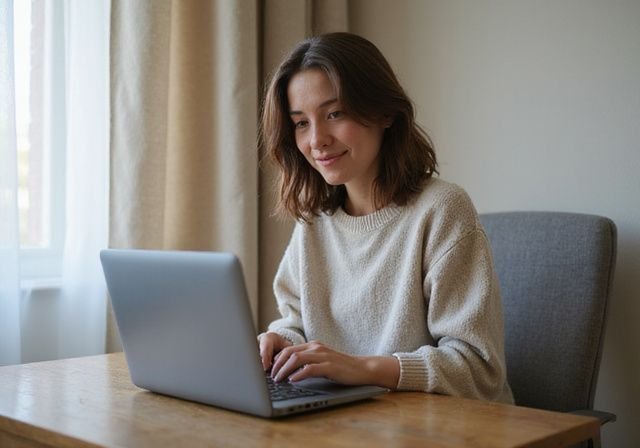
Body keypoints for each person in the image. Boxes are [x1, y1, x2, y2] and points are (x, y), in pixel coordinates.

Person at [258, 32, 513, 403]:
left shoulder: (442, 210)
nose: (317, 140)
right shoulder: (313, 222)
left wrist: (361, 369)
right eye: (301, 123)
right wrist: (284, 343)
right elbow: (296, 321)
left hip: (447, 428)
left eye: (334, 114)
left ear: (385, 112)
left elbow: (479, 369)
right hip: (354, 423)